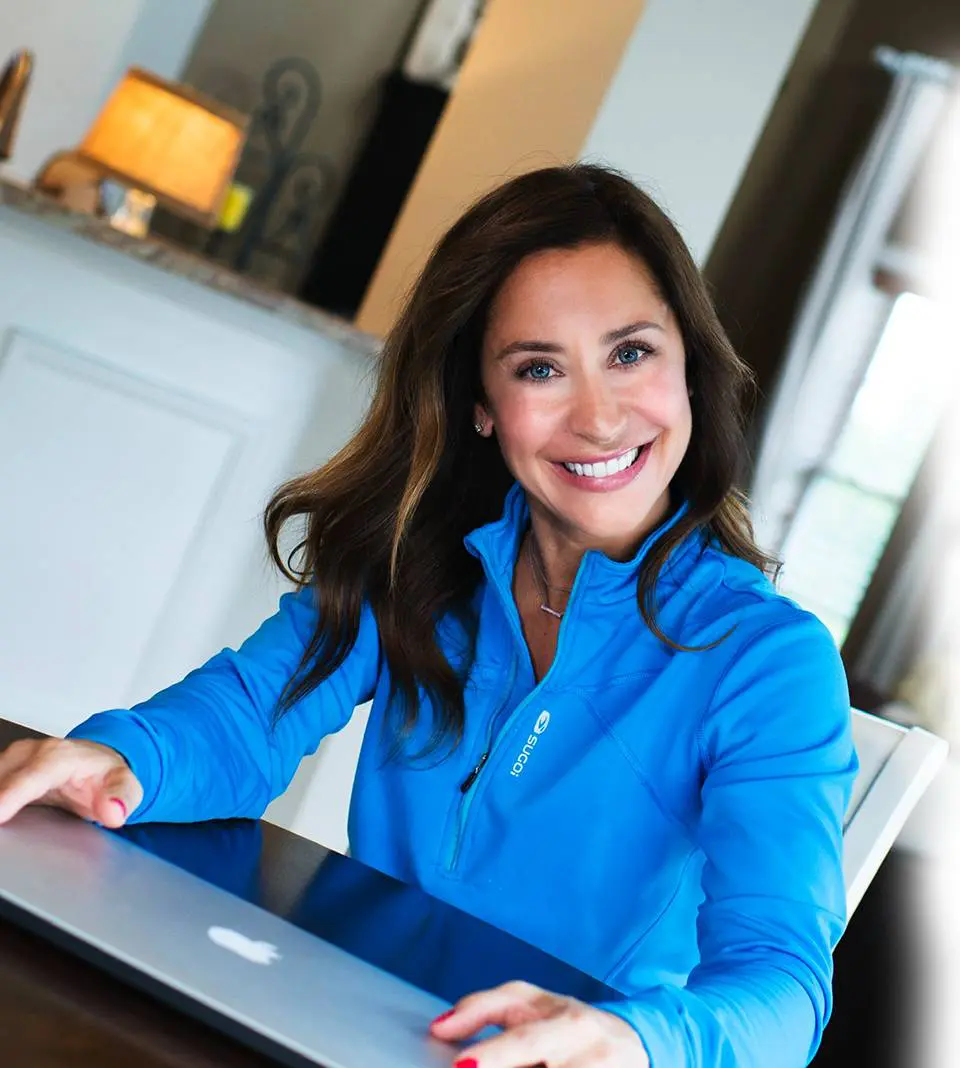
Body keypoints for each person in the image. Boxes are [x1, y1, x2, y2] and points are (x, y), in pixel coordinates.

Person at [0, 164, 858, 1068]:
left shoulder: (771, 663)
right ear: (482, 406)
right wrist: (124, 757)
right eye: (540, 368)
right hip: (336, 1016)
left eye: (631, 353)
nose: (601, 417)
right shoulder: (423, 560)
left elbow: (781, 986)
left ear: (689, 363)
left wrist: (636, 1039)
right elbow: (250, 714)